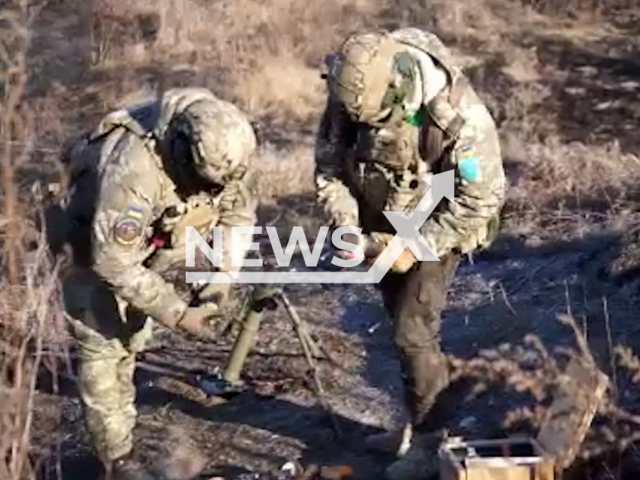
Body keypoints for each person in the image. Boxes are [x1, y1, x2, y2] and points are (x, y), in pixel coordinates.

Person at [315, 28, 506, 479]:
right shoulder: (350, 92)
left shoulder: (456, 114)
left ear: (399, 88)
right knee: (397, 320)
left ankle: (429, 442)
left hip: (438, 223)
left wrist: (415, 246)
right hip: (381, 217)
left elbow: (483, 196)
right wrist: (347, 226)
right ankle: (410, 425)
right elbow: (328, 168)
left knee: (412, 332)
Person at [58, 87, 258, 480]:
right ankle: (116, 458)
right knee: (101, 343)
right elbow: (112, 263)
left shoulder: (230, 149)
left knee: (132, 337)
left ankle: (122, 408)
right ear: (181, 152)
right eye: (205, 184)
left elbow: (238, 218)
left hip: (148, 242)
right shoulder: (133, 169)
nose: (211, 194)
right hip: (87, 239)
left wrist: (220, 282)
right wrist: (179, 313)